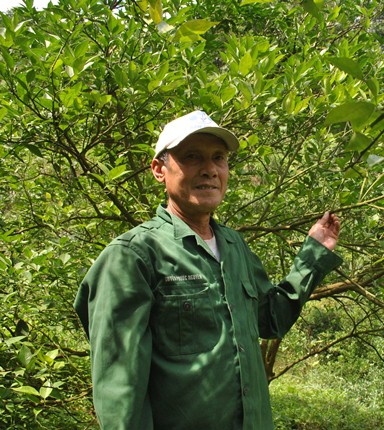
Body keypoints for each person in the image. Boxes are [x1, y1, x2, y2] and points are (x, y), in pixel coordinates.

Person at [74, 110, 342, 430]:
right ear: (160, 170)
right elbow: (119, 390)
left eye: (219, 158)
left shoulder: (234, 245)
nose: (210, 170)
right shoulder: (133, 257)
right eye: (192, 157)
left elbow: (271, 318)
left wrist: (312, 256)